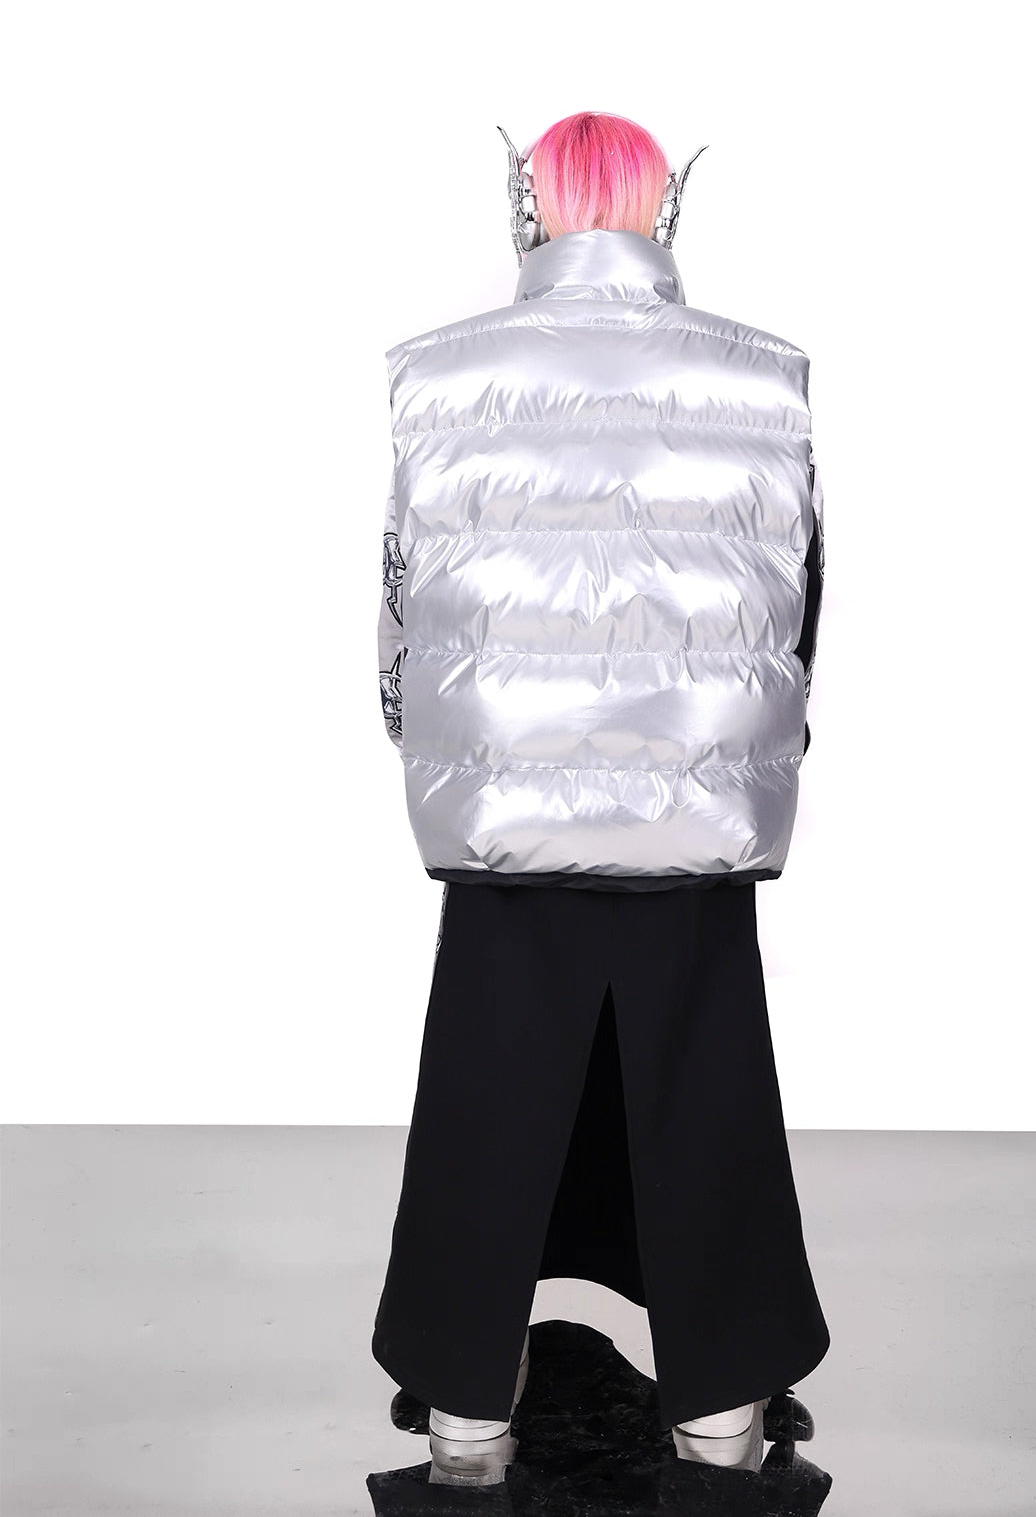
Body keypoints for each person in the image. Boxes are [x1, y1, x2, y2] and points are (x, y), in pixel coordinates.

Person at [370, 110, 829, 1480]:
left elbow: (402, 600)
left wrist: (422, 736)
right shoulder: (766, 373)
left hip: (503, 805)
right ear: (659, 211)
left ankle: (465, 1404)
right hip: (700, 800)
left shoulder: (438, 371)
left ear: (533, 210)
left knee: (487, 1080)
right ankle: (722, 1406)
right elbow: (803, 596)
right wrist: (764, 747)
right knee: (704, 1076)